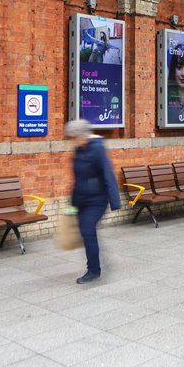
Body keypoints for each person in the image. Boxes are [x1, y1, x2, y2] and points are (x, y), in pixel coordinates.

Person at [65, 119, 120, 284]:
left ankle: (94, 270)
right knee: (86, 233)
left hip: (97, 200)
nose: (72, 140)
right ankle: (98, 260)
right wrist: (73, 203)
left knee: (88, 230)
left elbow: (107, 173)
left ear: (82, 135)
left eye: (74, 137)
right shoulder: (78, 150)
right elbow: (78, 178)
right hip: (81, 199)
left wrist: (115, 201)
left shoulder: (97, 149)